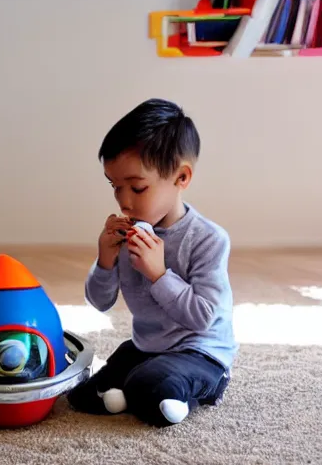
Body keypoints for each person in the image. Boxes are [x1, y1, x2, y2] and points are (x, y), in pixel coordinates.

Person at [66, 98, 238, 427]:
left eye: (138, 187)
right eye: (116, 187)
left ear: (181, 177)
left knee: (152, 385)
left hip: (199, 351)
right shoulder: (129, 234)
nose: (124, 200)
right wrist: (105, 260)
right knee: (82, 396)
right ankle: (129, 392)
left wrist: (159, 275)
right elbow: (100, 302)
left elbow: (203, 318)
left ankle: (177, 393)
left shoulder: (208, 239)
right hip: (148, 346)